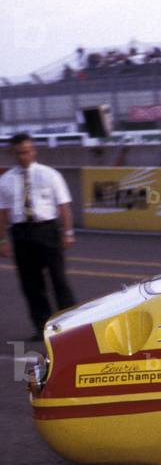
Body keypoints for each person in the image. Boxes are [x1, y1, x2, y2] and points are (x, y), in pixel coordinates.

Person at [0, 134, 76, 340]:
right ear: (13, 154)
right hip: (21, 234)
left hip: (47, 230)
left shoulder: (50, 175)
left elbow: (64, 206)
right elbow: (2, 213)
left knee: (59, 280)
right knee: (31, 284)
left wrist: (67, 232)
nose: (23, 156)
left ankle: (70, 325)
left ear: (34, 151)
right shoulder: (6, 180)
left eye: (27, 151)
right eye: (19, 153)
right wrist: (3, 240)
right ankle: (42, 327)